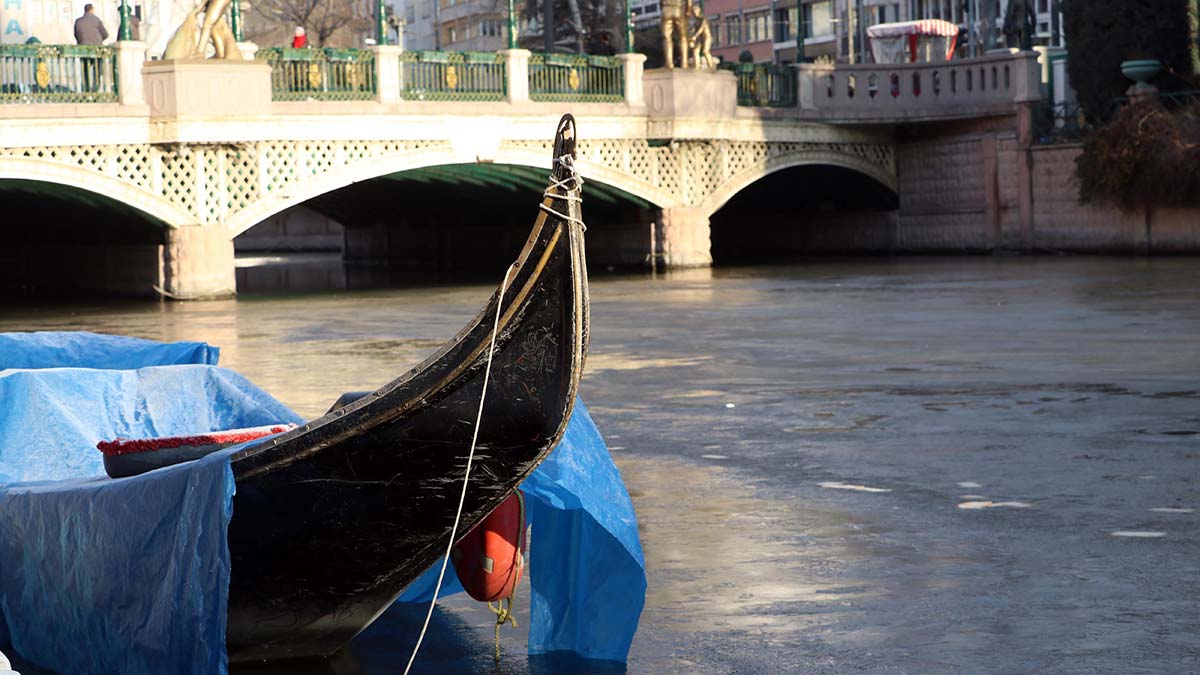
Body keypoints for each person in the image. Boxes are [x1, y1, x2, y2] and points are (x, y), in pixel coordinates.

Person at [74, 4, 107, 93]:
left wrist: (82, 42)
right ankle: (95, 89)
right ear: (92, 10)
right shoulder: (96, 20)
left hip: (83, 49)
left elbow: (76, 35)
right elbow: (105, 34)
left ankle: (87, 89)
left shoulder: (78, 21)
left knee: (85, 69)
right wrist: (99, 40)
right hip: (96, 49)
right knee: (97, 70)